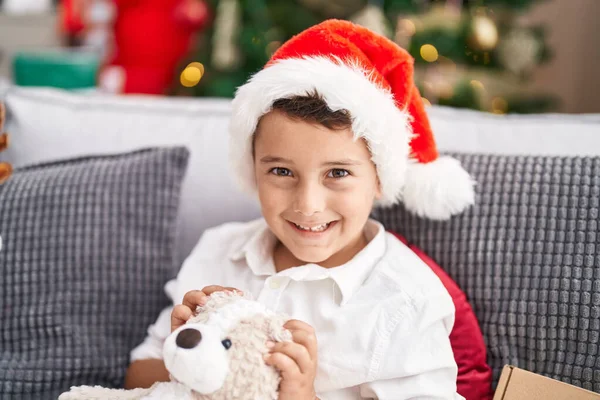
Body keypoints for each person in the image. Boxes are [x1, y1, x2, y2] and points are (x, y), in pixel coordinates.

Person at [124, 19, 475, 399]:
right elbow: (135, 376)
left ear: (379, 180)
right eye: (281, 171)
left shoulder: (405, 298)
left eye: (337, 173)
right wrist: (186, 353)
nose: (308, 205)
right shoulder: (218, 251)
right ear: (253, 169)